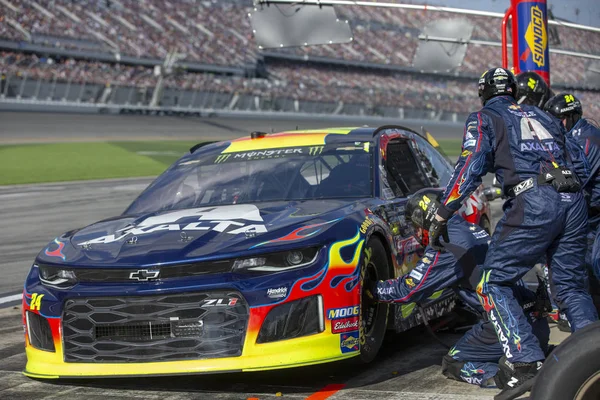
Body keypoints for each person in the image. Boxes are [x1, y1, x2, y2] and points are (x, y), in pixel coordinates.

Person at [427, 67, 598, 400]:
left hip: (534, 200)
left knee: (493, 282)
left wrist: (443, 211)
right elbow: (577, 159)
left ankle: (525, 362)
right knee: (571, 287)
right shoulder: (543, 114)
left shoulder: (485, 117)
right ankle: (593, 356)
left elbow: (470, 165)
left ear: (484, 93)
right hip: (572, 197)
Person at [373, 188, 550, 389]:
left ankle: (506, 377)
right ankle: (544, 359)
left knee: (453, 363)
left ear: (422, 218)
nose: (415, 232)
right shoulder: (472, 229)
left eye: (415, 225)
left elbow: (409, 290)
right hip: (535, 322)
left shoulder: (444, 242)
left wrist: (373, 288)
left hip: (507, 328)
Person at [545, 93, 600, 312]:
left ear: (572, 116)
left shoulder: (585, 140)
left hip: (594, 218)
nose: (555, 125)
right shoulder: (578, 136)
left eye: (559, 120)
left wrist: (538, 180)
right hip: (588, 216)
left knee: (592, 267)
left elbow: (572, 179)